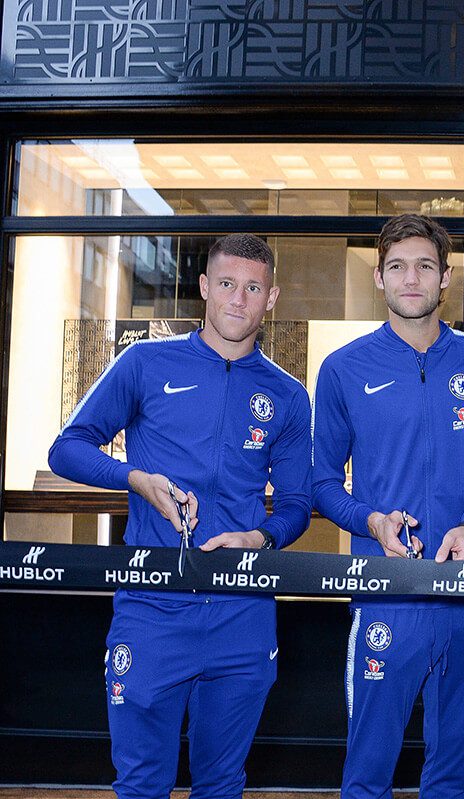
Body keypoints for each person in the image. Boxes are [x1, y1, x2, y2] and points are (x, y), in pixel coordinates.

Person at [48, 234, 313, 799]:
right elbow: (67, 448)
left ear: (272, 297)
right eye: (226, 285)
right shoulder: (146, 362)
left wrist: (260, 537)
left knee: (220, 784)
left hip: (242, 612)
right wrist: (135, 480)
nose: (238, 300)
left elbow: (295, 506)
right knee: (142, 782)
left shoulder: (288, 396)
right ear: (202, 289)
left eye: (252, 288)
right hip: (151, 608)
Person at [312, 214, 464, 799]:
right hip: (385, 594)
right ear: (378, 277)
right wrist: (371, 521)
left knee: (451, 774)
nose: (412, 278)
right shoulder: (343, 368)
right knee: (367, 773)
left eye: (426, 266)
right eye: (397, 266)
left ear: (446, 277)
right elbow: (323, 484)